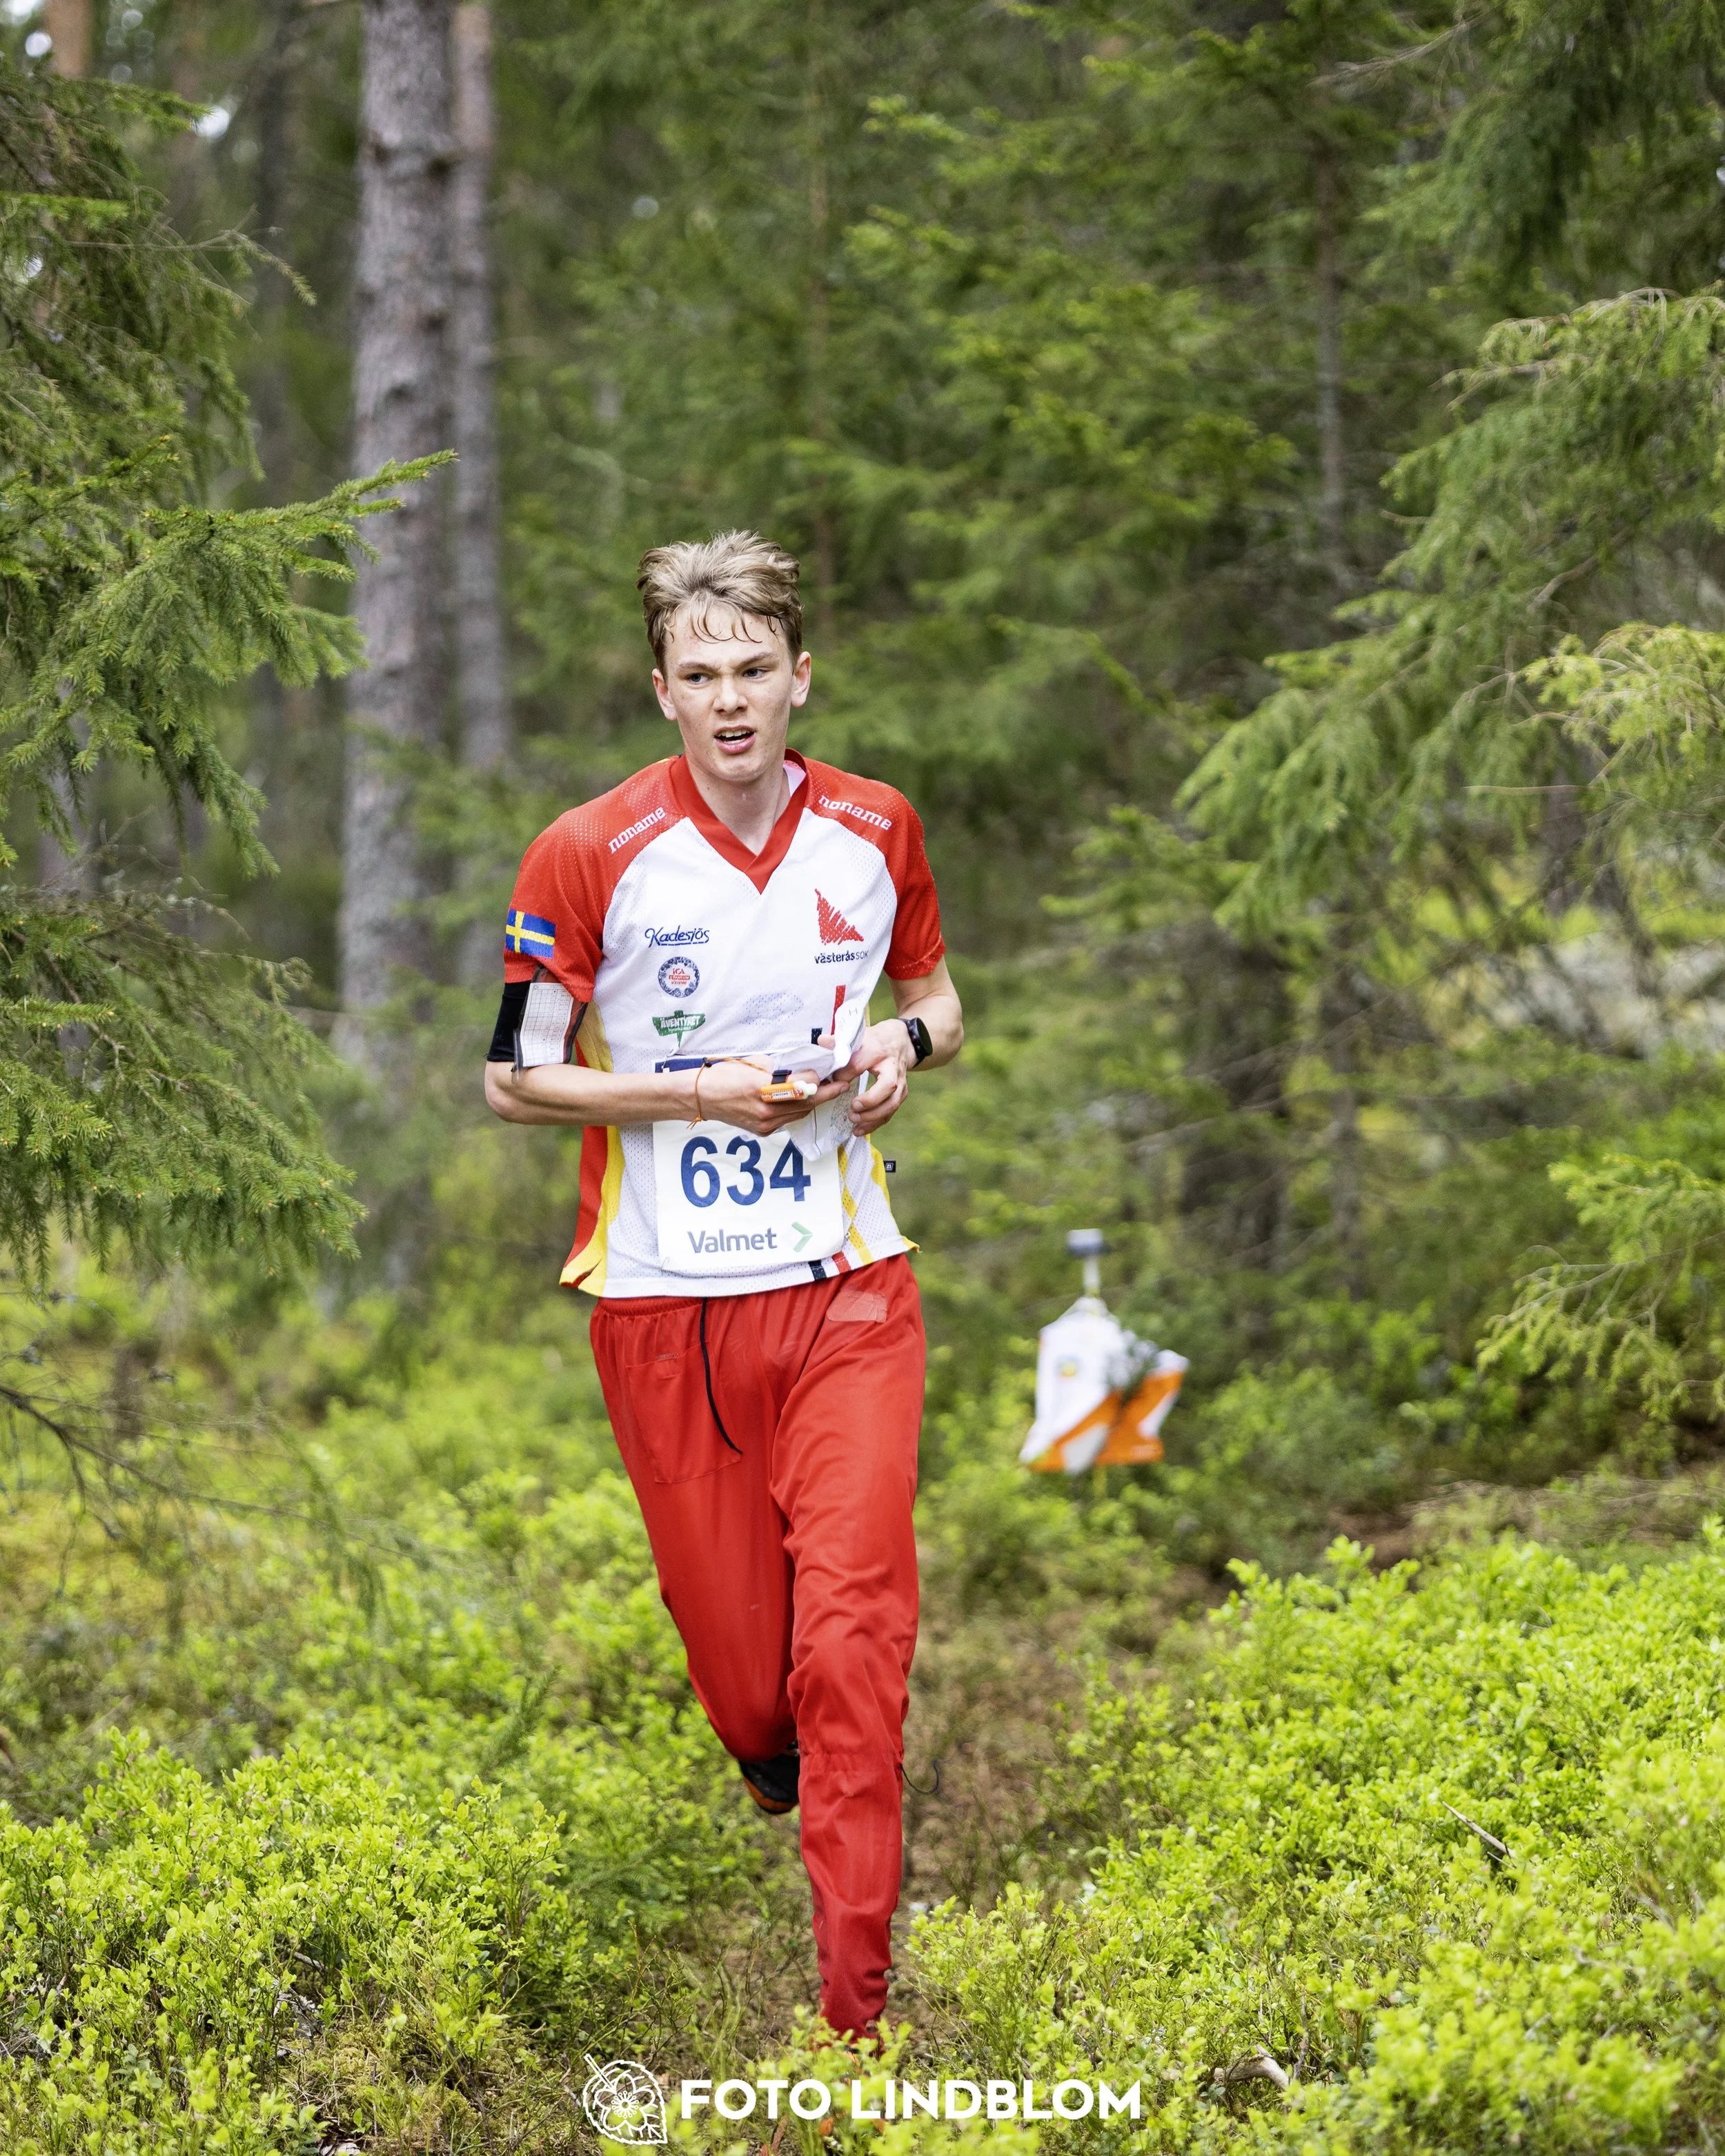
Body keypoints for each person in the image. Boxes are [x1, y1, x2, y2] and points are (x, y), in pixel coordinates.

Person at [484, 530, 963, 2039]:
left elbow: (938, 997)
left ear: (798, 674)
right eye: (702, 675)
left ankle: (854, 2023)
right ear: (662, 693)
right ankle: (770, 1755)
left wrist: (900, 1051)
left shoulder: (875, 828)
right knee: (753, 1689)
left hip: (845, 1289)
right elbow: (514, 1076)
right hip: (666, 1311)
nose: (732, 699)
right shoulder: (588, 849)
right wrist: (695, 1099)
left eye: (756, 668)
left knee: (851, 1643)